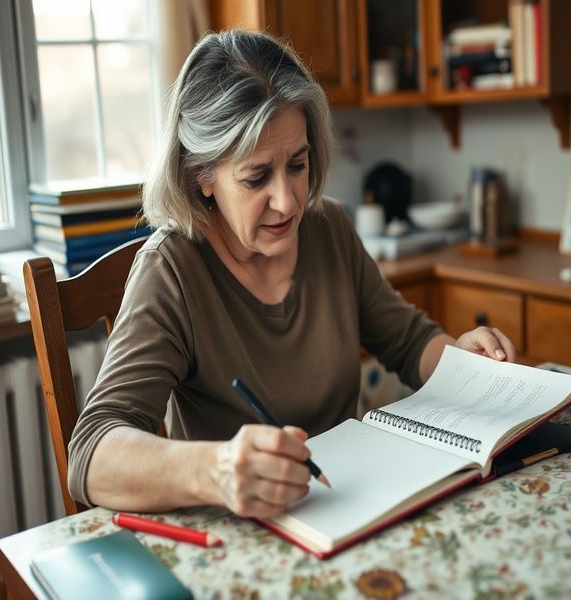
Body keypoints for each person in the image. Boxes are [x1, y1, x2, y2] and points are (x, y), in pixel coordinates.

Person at [68, 29, 516, 518]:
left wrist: (464, 363)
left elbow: (408, 340)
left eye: (298, 165)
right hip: (243, 533)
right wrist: (215, 469)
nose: (287, 202)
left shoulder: (329, 228)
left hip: (355, 505)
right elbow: (90, 456)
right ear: (202, 175)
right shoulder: (172, 271)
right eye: (256, 177)